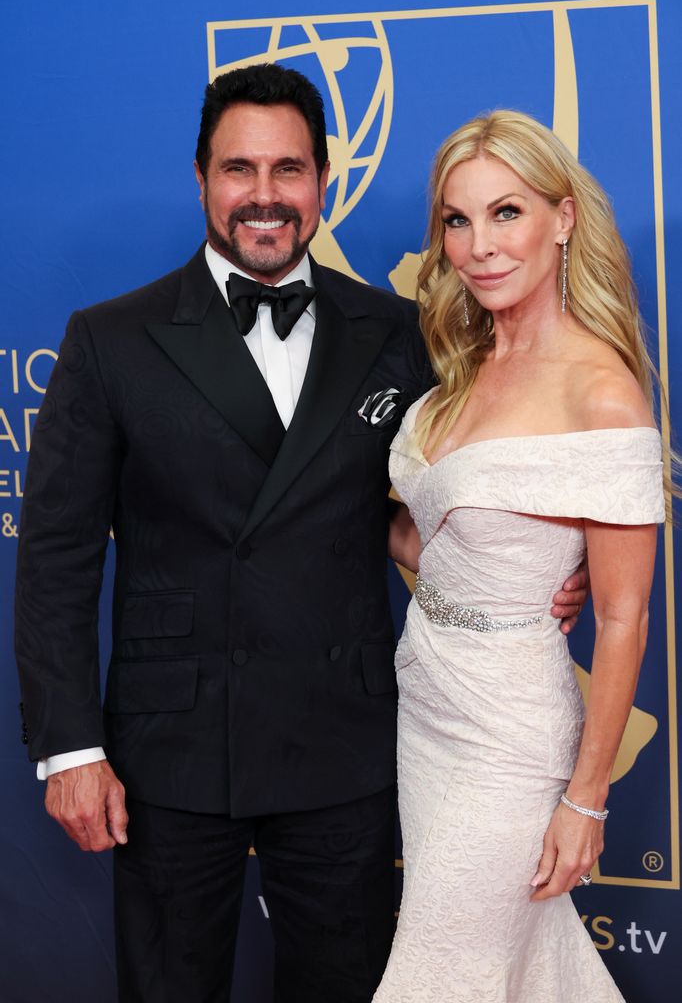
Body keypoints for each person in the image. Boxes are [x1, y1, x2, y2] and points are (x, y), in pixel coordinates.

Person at [14, 68, 586, 1003]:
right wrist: (71, 749)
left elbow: (441, 497)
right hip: (172, 744)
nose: (265, 195)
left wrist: (545, 568)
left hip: (344, 738)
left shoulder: (400, 333)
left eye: (289, 168)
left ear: (324, 181)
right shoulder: (111, 340)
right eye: (239, 168)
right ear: (200, 178)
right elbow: (57, 559)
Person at [376, 109, 666, 1002]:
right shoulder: (456, 368)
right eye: (457, 221)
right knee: (521, 972)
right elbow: (420, 538)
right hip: (424, 704)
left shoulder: (602, 393)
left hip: (511, 733)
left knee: (439, 976)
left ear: (563, 217)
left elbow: (622, 614)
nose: (479, 245)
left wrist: (585, 801)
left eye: (506, 212)